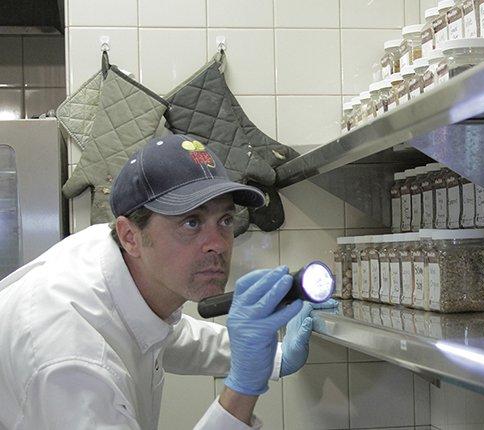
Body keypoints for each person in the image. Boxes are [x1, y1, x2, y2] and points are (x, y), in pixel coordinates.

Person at [0, 134, 336, 429]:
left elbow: (170, 337)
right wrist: (243, 386)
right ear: (130, 235)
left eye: (224, 220)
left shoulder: (113, 262)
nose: (218, 243)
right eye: (191, 222)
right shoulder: (73, 360)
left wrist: (270, 354)